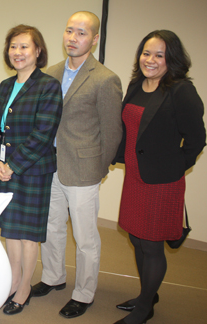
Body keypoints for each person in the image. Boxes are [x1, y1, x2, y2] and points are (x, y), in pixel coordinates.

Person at [31, 11, 123, 319]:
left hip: (83, 171)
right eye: (70, 31)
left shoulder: (105, 79)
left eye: (82, 33)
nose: (73, 38)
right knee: (51, 226)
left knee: (85, 238)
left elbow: (112, 132)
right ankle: (53, 277)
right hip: (50, 166)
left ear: (95, 39)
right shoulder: (51, 72)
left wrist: (98, 169)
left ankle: (84, 293)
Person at [112, 30, 205, 324]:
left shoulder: (181, 91)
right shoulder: (137, 85)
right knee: (137, 240)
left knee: (151, 244)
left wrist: (176, 167)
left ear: (172, 59)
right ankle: (146, 296)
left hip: (162, 182)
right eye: (146, 53)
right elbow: (128, 128)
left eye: (159, 55)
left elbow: (197, 139)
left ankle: (144, 310)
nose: (150, 60)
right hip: (135, 178)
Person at [0, 24, 62, 315]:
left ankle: (24, 287)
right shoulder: (6, 85)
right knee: (11, 230)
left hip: (32, 171)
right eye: (13, 47)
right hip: (6, 168)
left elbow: (44, 133)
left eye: (24, 47)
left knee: (28, 234)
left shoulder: (48, 85)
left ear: (38, 51)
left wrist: (12, 166)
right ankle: (12, 279)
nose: (17, 52)